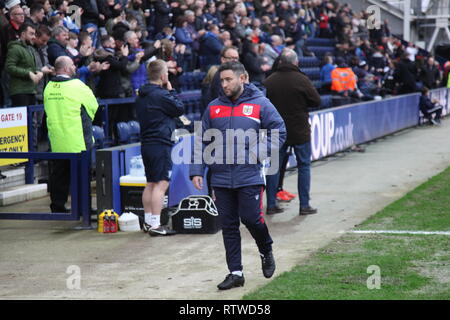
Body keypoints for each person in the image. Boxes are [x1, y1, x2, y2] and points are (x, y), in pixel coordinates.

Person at [190, 61, 286, 290]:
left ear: (242, 78)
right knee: (229, 226)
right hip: (221, 177)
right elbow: (200, 140)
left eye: (228, 79)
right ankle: (235, 272)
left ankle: (266, 250)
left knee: (252, 219)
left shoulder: (261, 104)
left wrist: (257, 153)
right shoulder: (213, 107)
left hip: (249, 175)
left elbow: (279, 131)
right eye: (221, 80)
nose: (223, 84)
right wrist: (196, 169)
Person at [263, 49, 320, 216]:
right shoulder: (302, 79)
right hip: (299, 130)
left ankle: (271, 204)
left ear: (280, 62)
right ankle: (304, 205)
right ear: (296, 62)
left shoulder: (270, 81)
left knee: (274, 168)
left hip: (276, 131)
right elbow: (315, 100)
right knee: (304, 166)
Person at [135, 59, 184, 236]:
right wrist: (171, 90)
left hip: (146, 143)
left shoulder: (141, 95)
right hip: (160, 142)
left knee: (151, 183)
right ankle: (156, 225)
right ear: (163, 76)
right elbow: (179, 108)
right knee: (161, 184)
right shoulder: (161, 95)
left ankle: (148, 222)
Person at [43, 56, 99, 213]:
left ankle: (57, 206)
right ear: (67, 68)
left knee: (59, 175)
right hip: (77, 140)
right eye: (73, 65)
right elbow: (93, 106)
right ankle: (83, 208)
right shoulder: (77, 85)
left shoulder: (48, 87)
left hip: (57, 139)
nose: (75, 68)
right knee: (82, 176)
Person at [5, 22, 46, 107]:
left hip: (31, 91)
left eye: (34, 34)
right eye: (31, 34)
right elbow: (9, 67)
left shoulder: (29, 49)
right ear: (23, 34)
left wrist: (39, 72)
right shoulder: (15, 48)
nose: (34, 37)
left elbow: (30, 67)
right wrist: (28, 73)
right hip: (20, 92)